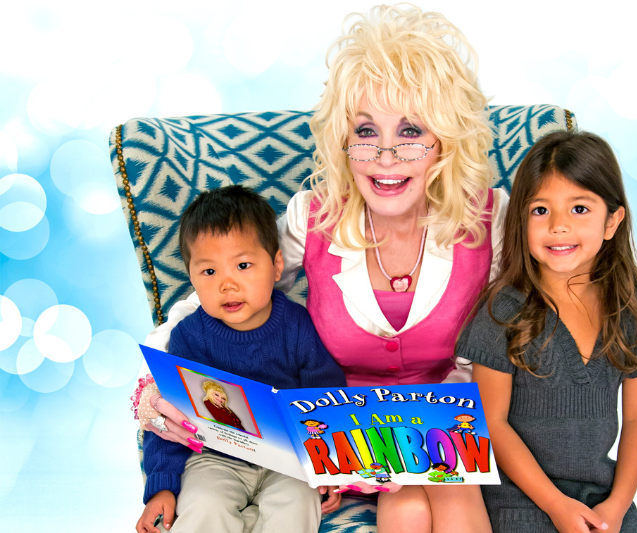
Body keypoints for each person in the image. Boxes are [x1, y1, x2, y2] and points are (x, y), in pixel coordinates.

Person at [140, 5, 507, 532]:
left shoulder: (491, 218)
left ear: (445, 139)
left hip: (445, 426)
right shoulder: (314, 217)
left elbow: (520, 330)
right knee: (406, 507)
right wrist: (155, 378)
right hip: (339, 435)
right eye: (366, 130)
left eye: (410, 130)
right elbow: (227, 287)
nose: (385, 156)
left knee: (443, 497)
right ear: (343, 139)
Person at [457, 130, 637, 533]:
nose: (558, 226)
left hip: (601, 499)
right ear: (521, 220)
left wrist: (617, 506)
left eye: (579, 209)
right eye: (540, 210)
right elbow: (491, 423)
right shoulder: (504, 311)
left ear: (612, 221)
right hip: (518, 501)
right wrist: (555, 505)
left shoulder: (630, 310)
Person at [135, 185, 347, 533]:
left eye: (243, 265)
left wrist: (330, 467)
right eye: (209, 272)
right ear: (191, 277)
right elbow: (170, 419)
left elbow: (326, 399)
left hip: (289, 462)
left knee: (295, 507)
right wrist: (161, 487)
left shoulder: (298, 326)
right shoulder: (188, 337)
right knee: (203, 505)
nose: (227, 284)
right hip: (215, 459)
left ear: (276, 265)